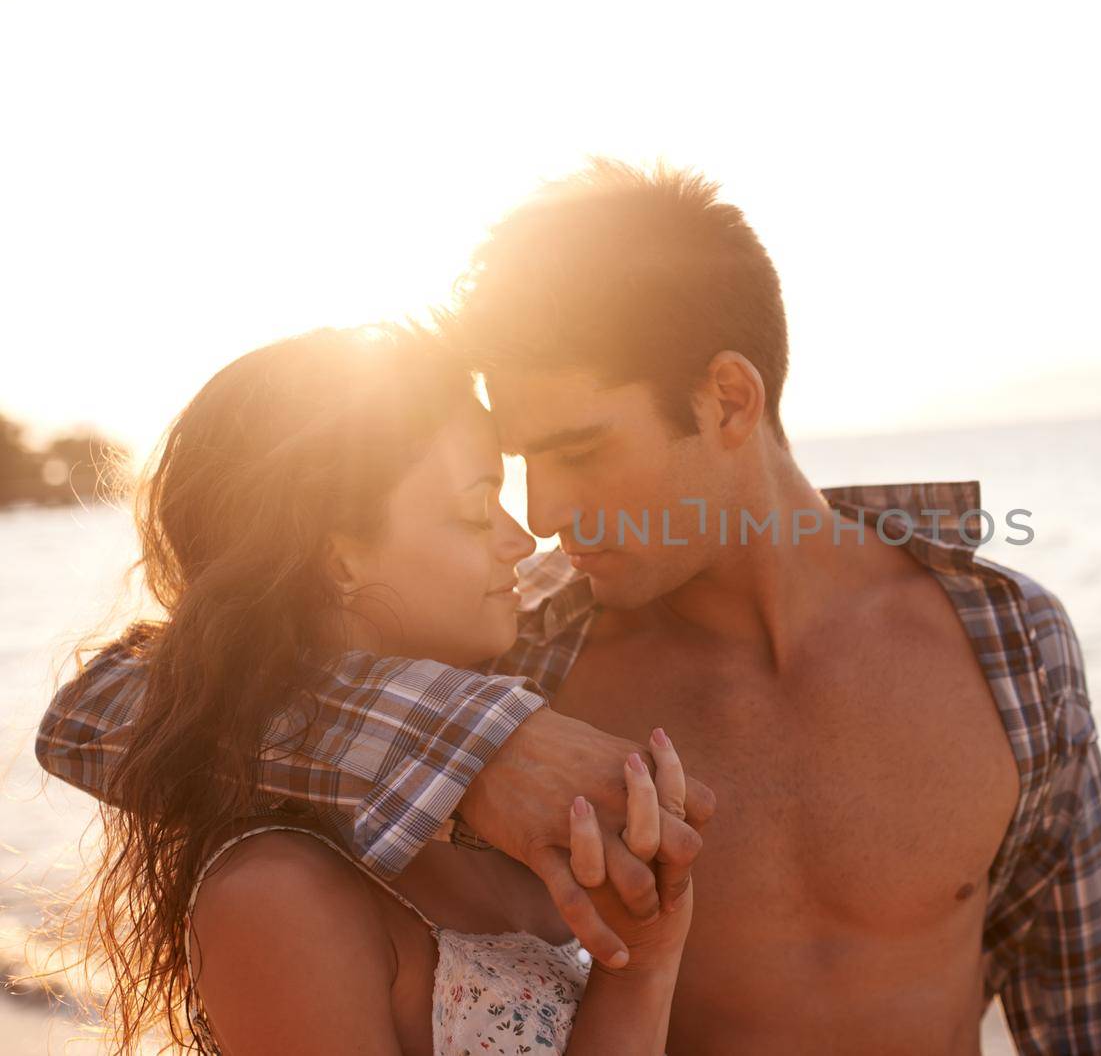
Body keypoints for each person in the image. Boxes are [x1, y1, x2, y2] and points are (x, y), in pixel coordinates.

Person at [41, 160, 1101, 1055]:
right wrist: (481, 748)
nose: (542, 512)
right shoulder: (525, 654)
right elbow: (98, 714)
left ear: (727, 399)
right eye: (519, 461)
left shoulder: (1004, 642)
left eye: (581, 450)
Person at [48, 329, 702, 1054]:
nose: (525, 539)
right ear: (339, 559)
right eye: (476, 508)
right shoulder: (278, 892)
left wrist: (643, 959)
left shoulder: (507, 780)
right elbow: (84, 713)